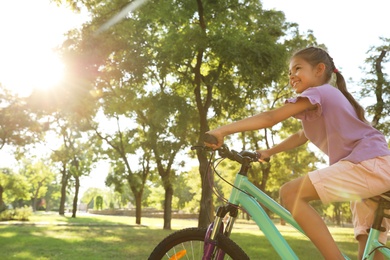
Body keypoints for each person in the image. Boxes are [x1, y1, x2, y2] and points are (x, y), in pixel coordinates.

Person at [205, 46, 390, 259]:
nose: (292, 75)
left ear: (319, 70)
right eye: (290, 72)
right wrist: (270, 151)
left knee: (291, 193)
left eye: (298, 68)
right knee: (369, 249)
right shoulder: (326, 100)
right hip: (373, 170)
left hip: (369, 165)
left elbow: (270, 117)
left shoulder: (319, 92)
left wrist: (221, 131)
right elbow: (301, 135)